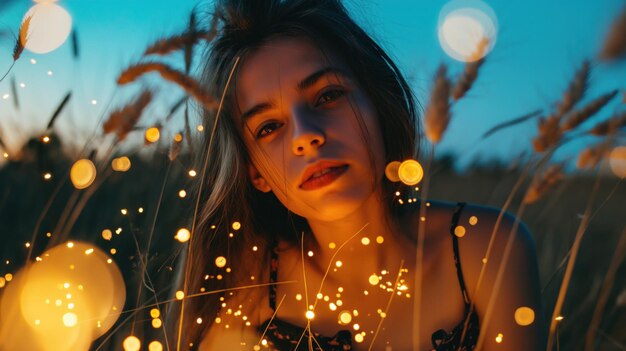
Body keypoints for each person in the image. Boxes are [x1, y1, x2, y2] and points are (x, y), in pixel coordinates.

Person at [182, 0, 546, 350]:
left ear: (378, 104)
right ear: (254, 173)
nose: (306, 137)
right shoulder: (249, 284)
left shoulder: (484, 247)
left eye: (327, 96)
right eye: (269, 127)